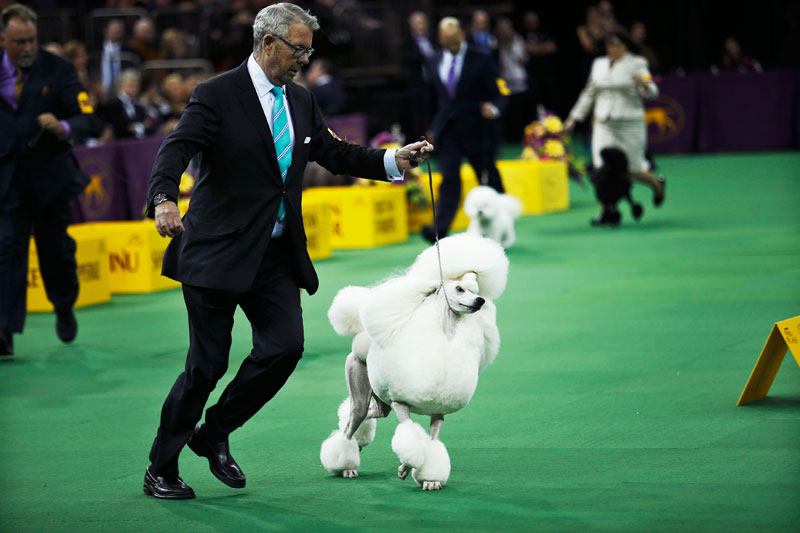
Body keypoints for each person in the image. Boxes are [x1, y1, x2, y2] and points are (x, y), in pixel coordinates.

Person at [142, 2, 432, 500]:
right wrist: (165, 198)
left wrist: (391, 159)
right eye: (299, 49)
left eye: (309, 49)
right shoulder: (216, 95)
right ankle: (161, 466)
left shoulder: (299, 101)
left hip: (274, 257)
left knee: (284, 349)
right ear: (268, 43)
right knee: (206, 366)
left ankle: (213, 433)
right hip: (215, 254)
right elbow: (177, 148)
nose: (305, 58)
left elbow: (334, 152)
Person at [0, 4, 100, 356]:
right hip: (6, 181)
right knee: (6, 252)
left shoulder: (58, 69)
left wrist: (65, 126)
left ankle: (62, 304)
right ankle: (4, 331)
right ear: (3, 40)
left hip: (50, 178)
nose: (27, 47)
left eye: (31, 40)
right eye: (18, 41)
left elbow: (88, 118)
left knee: (54, 251)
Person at [420, 16, 507, 243]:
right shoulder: (433, 60)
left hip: (478, 128)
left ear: (462, 34)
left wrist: (495, 108)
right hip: (447, 131)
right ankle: (440, 229)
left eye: (454, 37)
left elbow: (501, 89)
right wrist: (431, 127)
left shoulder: (482, 57)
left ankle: (501, 221)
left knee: (487, 175)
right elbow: (430, 97)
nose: (451, 43)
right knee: (449, 178)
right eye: (446, 39)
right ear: (440, 38)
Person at [564, 31, 665, 222]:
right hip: (603, 124)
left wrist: (644, 85)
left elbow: (652, 92)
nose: (613, 49)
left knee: (633, 170)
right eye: (610, 45)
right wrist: (573, 118)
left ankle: (657, 185)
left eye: (617, 45)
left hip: (630, 124)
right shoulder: (599, 64)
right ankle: (606, 212)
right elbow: (589, 93)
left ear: (625, 46)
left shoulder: (637, 63)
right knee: (600, 170)